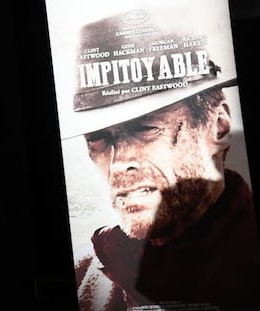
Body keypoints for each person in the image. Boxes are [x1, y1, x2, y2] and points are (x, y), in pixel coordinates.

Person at [56, 6, 260, 311]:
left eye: (146, 128)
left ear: (218, 126)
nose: (118, 164)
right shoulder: (86, 276)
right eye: (98, 140)